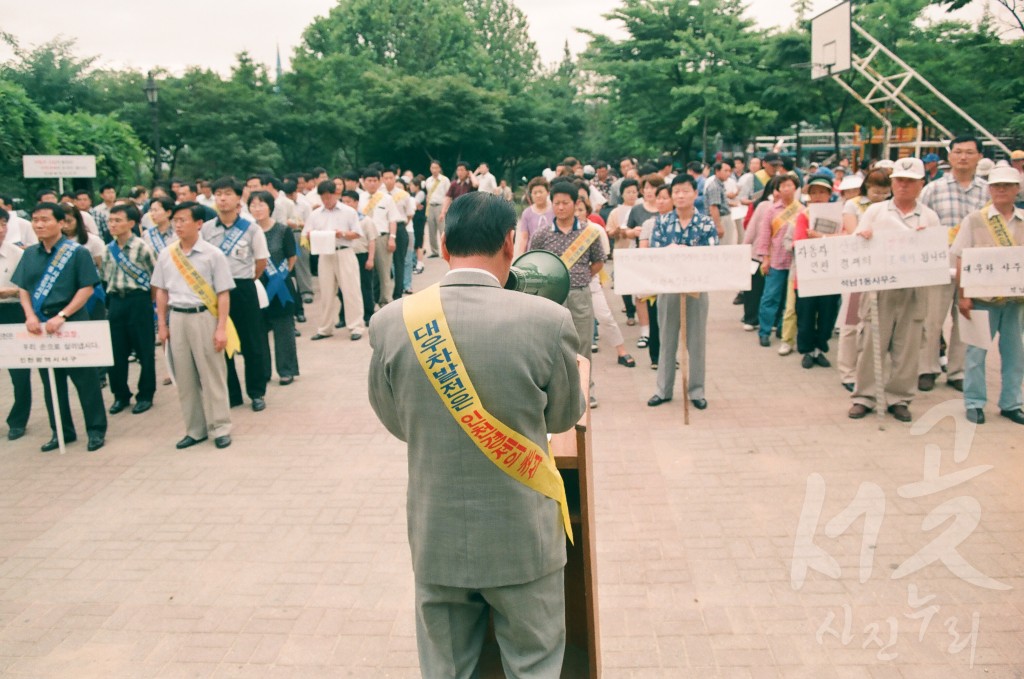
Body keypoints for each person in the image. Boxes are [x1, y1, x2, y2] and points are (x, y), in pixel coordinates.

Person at [368, 191, 584, 678]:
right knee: (534, 665)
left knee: (445, 670)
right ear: (512, 243)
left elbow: (395, 420)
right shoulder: (548, 321)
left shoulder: (390, 323)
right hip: (523, 538)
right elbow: (563, 417)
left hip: (436, 534)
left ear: (444, 246)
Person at [849, 158, 941, 423]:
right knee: (871, 343)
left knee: (908, 346)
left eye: (910, 181)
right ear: (892, 182)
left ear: (921, 185)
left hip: (913, 290)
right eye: (899, 180)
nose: (904, 185)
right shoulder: (876, 212)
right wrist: (863, 238)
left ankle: (899, 398)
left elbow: (936, 256)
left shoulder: (928, 216)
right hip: (879, 288)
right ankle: (864, 397)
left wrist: (926, 243)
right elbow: (856, 246)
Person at [12, 202, 107, 452]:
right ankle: (61, 431)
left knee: (85, 381)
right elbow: (23, 288)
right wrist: (30, 315)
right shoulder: (30, 253)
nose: (39, 224)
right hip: (41, 326)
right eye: (35, 219)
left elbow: (87, 288)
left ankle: (96, 430)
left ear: (61, 223)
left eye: (45, 219)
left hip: (71, 321)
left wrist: (63, 315)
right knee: (51, 382)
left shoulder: (76, 252)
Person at [153, 202, 235, 449]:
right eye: (175, 220)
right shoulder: (167, 254)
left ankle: (220, 426)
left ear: (199, 224)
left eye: (183, 220)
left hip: (204, 317)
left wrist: (221, 328)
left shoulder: (213, 254)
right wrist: (162, 325)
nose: (178, 225)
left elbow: (223, 294)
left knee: (212, 373)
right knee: (184, 376)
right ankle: (195, 429)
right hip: (177, 318)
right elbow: (161, 292)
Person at [951, 166, 1024, 425]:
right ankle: (974, 402)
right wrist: (963, 294)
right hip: (983, 300)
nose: (1001, 190)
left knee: (1015, 355)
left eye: (1007, 185)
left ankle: (1011, 403)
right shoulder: (975, 219)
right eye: (996, 186)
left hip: (1016, 302)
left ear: (1017, 189)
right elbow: (961, 256)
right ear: (989, 189)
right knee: (976, 354)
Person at [918, 136, 988, 393]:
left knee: (965, 318)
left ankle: (957, 371)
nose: (963, 157)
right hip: (940, 259)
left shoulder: (987, 190)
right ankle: (927, 369)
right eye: (958, 152)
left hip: (974, 261)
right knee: (931, 318)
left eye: (969, 152)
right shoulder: (933, 189)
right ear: (949, 156)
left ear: (979, 156)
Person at [641, 175, 718, 409]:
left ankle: (697, 391)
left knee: (696, 341)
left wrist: (687, 252)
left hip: (696, 288)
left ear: (695, 193)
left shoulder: (705, 223)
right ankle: (663, 389)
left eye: (685, 191)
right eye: (676, 192)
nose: (680, 196)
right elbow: (656, 252)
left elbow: (711, 253)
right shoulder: (662, 223)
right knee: (667, 339)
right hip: (668, 288)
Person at [529, 181, 605, 409]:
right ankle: (554, 393)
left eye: (565, 203)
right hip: (552, 297)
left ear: (576, 204)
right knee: (551, 344)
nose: (560, 207)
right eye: (557, 203)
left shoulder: (589, 232)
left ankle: (584, 392)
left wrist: (580, 278)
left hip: (580, 295)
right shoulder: (542, 235)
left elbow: (599, 261)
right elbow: (533, 262)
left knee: (582, 344)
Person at [202, 177, 270, 412]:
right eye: (218, 194)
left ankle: (257, 391)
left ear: (238, 197)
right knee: (221, 342)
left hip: (243, 288)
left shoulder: (251, 229)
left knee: (252, 341)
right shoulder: (207, 229)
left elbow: (261, 261)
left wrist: (247, 280)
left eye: (228, 193)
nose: (222, 198)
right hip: (216, 292)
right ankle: (231, 394)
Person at [99, 204, 158, 415]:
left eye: (117, 220)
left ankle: (146, 394)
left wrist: (148, 303)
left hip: (139, 301)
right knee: (116, 351)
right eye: (110, 220)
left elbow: (155, 280)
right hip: (116, 302)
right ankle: (120, 395)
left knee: (145, 350)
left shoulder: (142, 247)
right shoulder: (107, 249)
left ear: (131, 224)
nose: (112, 224)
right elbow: (105, 278)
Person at [835, 170, 891, 391]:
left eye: (885, 193)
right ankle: (847, 372)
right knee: (850, 323)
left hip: (884, 271)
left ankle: (873, 373)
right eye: (876, 191)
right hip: (857, 272)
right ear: (867, 187)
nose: (880, 196)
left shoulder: (891, 207)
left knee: (878, 325)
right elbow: (853, 232)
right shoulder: (853, 205)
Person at [248, 191, 300, 385]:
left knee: (284, 330)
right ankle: (263, 371)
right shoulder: (249, 231)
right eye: (253, 205)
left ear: (270, 206)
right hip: (257, 285)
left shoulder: (282, 230)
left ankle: (286, 370)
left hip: (280, 286)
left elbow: (291, 257)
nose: (257, 209)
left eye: (261, 204)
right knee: (258, 331)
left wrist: (280, 277)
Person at [305, 181, 366, 342]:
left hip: (344, 252)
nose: (326, 201)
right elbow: (307, 233)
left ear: (336, 194)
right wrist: (314, 235)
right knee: (326, 292)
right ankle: (325, 328)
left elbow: (357, 233)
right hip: (325, 254)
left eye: (329, 197)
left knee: (351, 290)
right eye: (323, 198)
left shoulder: (348, 212)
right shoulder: (315, 214)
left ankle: (356, 326)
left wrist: (343, 234)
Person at [792, 175, 842, 369]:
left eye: (822, 192)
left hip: (831, 274)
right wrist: (828, 239)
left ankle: (820, 349)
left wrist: (820, 237)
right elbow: (798, 243)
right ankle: (806, 351)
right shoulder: (803, 216)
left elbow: (845, 238)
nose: (818, 196)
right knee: (805, 315)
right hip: (807, 275)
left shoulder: (839, 214)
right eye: (814, 192)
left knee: (827, 314)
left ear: (830, 194)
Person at [755, 173, 803, 349]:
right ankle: (764, 331)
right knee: (770, 297)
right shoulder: (771, 210)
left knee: (789, 301)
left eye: (789, 185)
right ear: (778, 190)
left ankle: (784, 329)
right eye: (782, 186)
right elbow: (764, 237)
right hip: (776, 260)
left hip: (795, 262)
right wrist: (764, 259)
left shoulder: (802, 209)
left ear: (795, 188)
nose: (786, 189)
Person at [0, 209, 31, 440]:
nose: (1, 230)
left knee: (19, 371)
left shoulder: (16, 254)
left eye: (3, 224)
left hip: (11, 312)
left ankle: (18, 420)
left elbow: (26, 288)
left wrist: (7, 292)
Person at [360, 169, 402, 306]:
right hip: (362, 240)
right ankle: (368, 303)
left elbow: (392, 220)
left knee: (384, 272)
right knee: (365, 274)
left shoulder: (386, 198)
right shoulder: (358, 198)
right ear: (363, 182)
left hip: (382, 238)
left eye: (375, 181)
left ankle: (385, 301)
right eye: (369, 181)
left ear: (379, 182)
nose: (372, 184)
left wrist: (392, 238)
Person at [339, 190, 378, 326]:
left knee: (365, 286)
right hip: (346, 255)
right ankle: (344, 316)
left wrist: (370, 258)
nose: (346, 204)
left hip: (362, 255)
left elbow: (372, 240)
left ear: (356, 202)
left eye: (349, 201)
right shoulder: (341, 220)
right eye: (343, 202)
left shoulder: (366, 220)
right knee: (344, 287)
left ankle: (368, 315)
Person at [514, 177, 554, 257]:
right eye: (535, 193)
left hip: (552, 252)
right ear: (531, 194)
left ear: (548, 192)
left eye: (541, 192)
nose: (538, 195)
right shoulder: (527, 213)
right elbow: (524, 238)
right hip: (533, 253)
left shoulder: (554, 210)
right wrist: (520, 256)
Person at [423, 161, 449, 257]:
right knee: (431, 229)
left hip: (440, 206)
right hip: (430, 206)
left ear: (439, 168)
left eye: (436, 168)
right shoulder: (428, 180)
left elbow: (448, 194)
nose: (434, 170)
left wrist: (445, 209)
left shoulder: (444, 180)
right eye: (432, 168)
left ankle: (445, 251)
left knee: (442, 229)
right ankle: (434, 251)